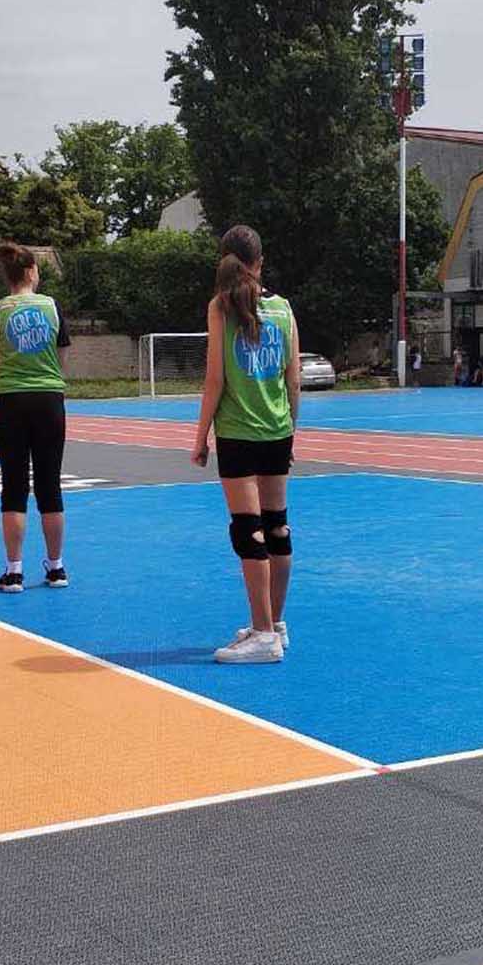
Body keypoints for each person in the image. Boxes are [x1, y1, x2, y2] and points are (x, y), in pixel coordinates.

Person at [192, 225, 300, 665]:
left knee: (248, 530)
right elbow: (293, 380)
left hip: (239, 432)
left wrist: (200, 435)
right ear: (260, 261)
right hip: (277, 430)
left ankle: (262, 634)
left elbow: (215, 379)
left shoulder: (222, 307)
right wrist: (291, 430)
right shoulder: (284, 309)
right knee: (277, 527)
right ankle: (275, 623)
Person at [0, 241, 71, 592]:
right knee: (50, 484)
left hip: (11, 400)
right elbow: (62, 357)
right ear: (32, 271)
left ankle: (14, 570)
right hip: (49, 399)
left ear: (7, 276)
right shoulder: (52, 307)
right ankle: (56, 567)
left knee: (14, 485)